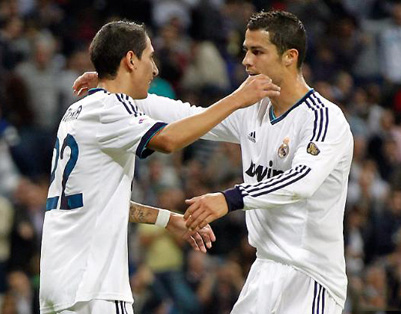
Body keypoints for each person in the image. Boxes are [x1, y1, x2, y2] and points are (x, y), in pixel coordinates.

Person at [74, 11, 353, 314]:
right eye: (245, 50)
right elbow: (188, 115)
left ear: (290, 56)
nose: (246, 61)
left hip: (310, 276)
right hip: (265, 271)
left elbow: (302, 181)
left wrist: (228, 199)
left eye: (257, 52)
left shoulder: (323, 119)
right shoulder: (253, 111)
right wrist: (115, 89)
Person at [40, 20, 280, 314]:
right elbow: (168, 140)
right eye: (149, 57)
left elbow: (100, 201)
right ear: (130, 60)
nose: (154, 69)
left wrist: (168, 219)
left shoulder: (77, 110)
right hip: (94, 286)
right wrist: (238, 99)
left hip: (59, 284)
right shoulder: (111, 109)